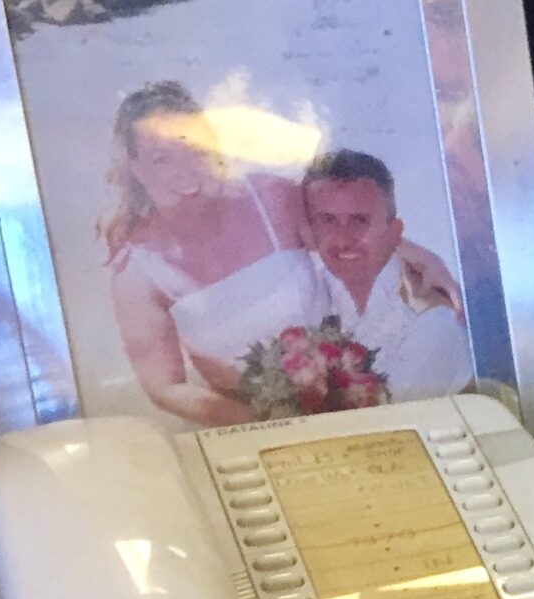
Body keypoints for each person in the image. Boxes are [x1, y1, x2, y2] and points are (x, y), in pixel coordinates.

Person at [99, 81, 457, 425]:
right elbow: (166, 387)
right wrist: (269, 421)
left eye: (194, 147)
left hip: (355, 384)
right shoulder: (137, 273)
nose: (185, 170)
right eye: (162, 159)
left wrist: (421, 256)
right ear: (136, 169)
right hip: (253, 419)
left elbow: (344, 233)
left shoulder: (269, 198)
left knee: (442, 333)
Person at [295, 149, 474, 399]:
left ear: (393, 231)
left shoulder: (433, 321)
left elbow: (386, 418)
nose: (343, 239)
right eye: (327, 220)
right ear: (310, 229)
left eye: (360, 221)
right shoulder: (305, 297)